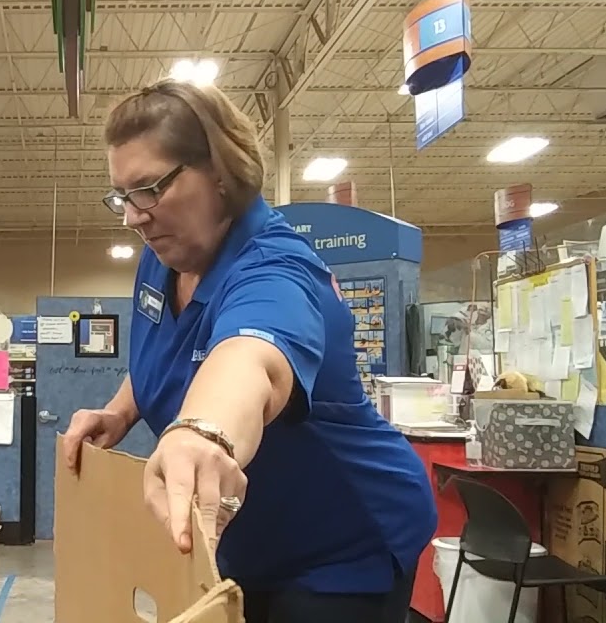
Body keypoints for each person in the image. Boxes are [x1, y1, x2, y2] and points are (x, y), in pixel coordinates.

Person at [62, 79, 438, 622]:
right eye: (122, 195)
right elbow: (169, 348)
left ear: (219, 172)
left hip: (341, 548)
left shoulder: (276, 268)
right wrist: (122, 410)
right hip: (249, 543)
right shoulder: (164, 256)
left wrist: (201, 432)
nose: (132, 216)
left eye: (150, 189)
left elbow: (250, 357)